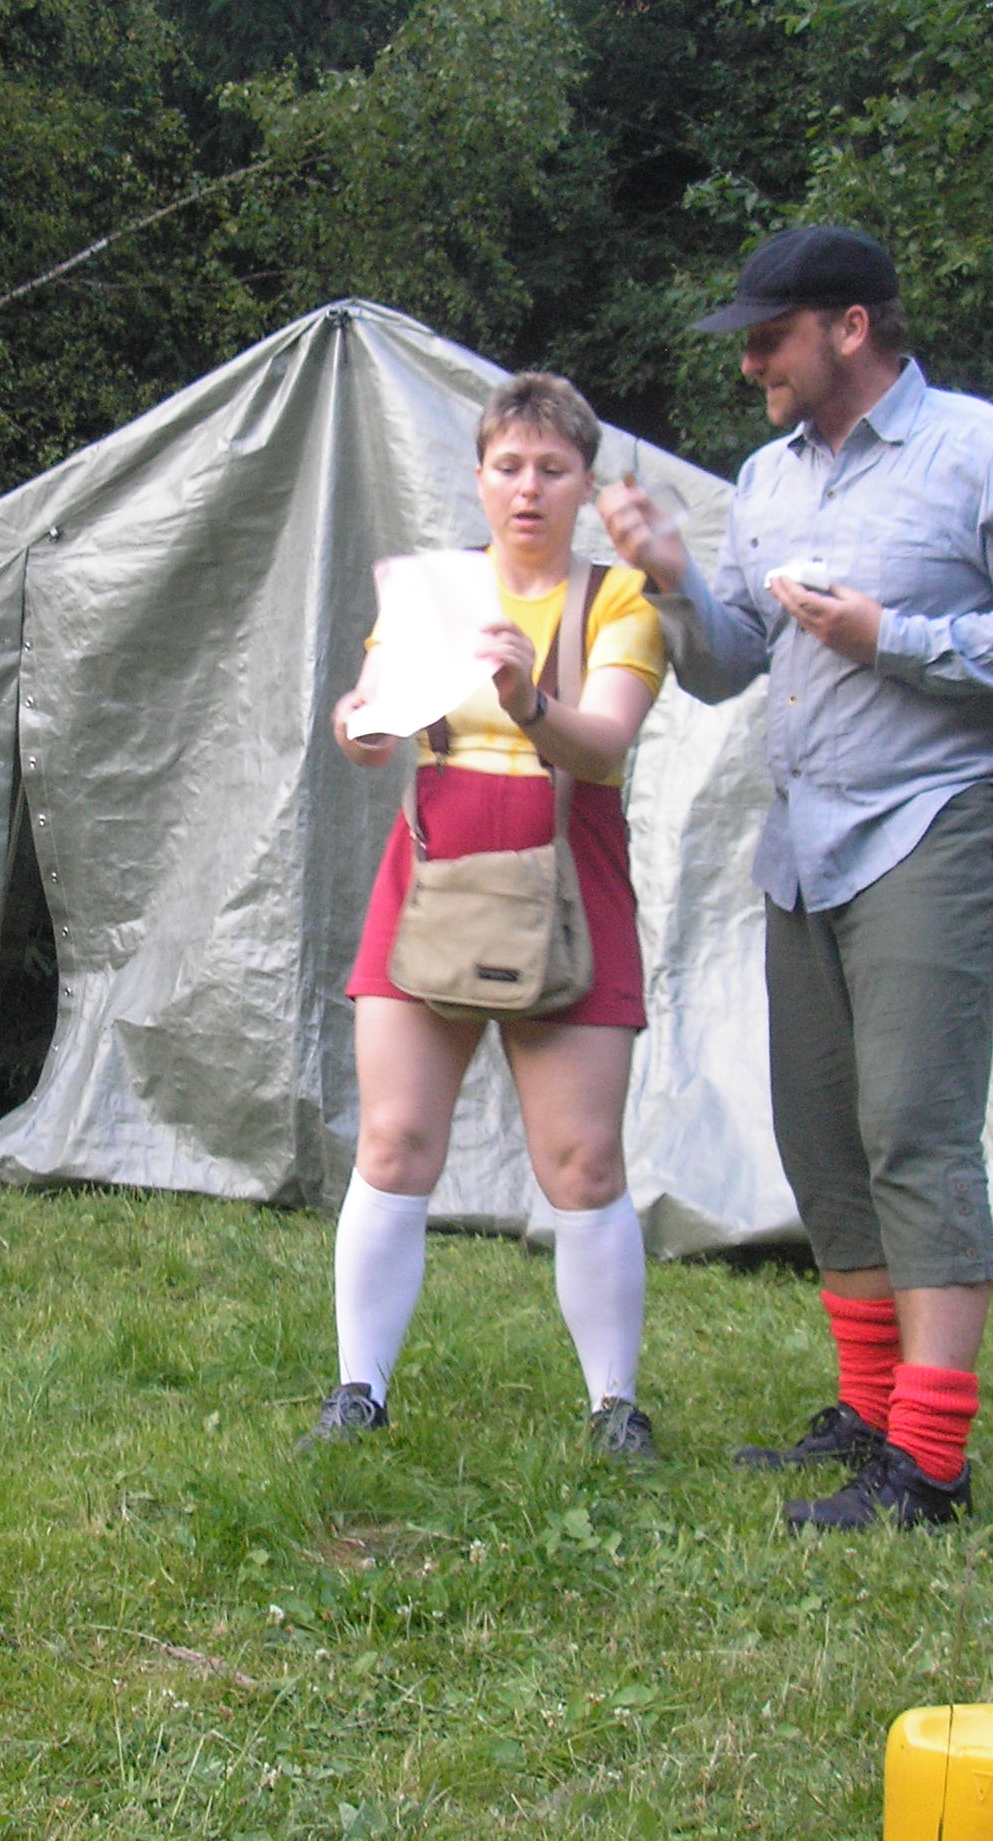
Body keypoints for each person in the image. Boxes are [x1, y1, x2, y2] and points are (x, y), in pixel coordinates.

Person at [596, 227, 993, 1529]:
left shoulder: (983, 453)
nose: (750, 363)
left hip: (936, 822)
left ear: (850, 327)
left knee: (914, 1133)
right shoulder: (766, 479)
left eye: (769, 337)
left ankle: (929, 1465)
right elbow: (729, 665)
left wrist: (897, 639)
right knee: (822, 1135)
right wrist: (669, 573)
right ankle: (871, 1414)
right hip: (805, 840)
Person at [310, 372, 668, 1458]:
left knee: (582, 1162)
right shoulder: (433, 591)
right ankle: (358, 1393)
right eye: (508, 467)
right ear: (477, 478)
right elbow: (369, 720)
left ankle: (614, 1407)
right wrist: (355, 723)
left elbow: (604, 744)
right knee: (393, 1140)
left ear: (583, 484)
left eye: (552, 469)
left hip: (570, 874)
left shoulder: (620, 599)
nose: (527, 489)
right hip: (435, 866)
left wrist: (527, 699)